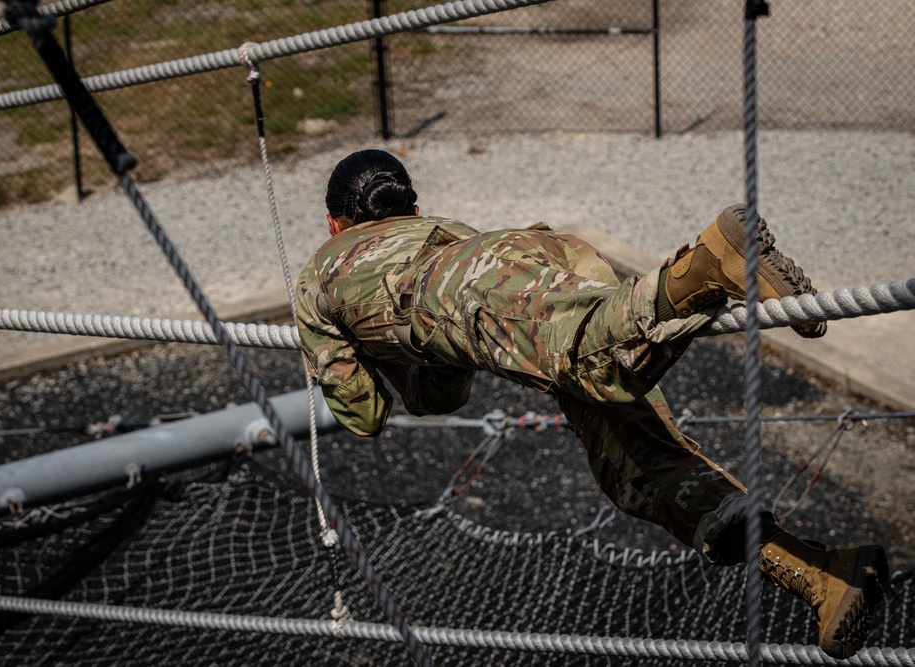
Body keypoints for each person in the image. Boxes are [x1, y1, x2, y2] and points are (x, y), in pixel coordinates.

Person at [294, 149, 890, 659]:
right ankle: (824, 575)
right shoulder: (440, 230)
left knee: (597, 362)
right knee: (637, 467)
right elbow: (442, 380)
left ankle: (710, 264)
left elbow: (363, 415)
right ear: (413, 209)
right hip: (534, 251)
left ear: (332, 225)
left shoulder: (320, 278)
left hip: (481, 295)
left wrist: (363, 351)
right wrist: (402, 353)